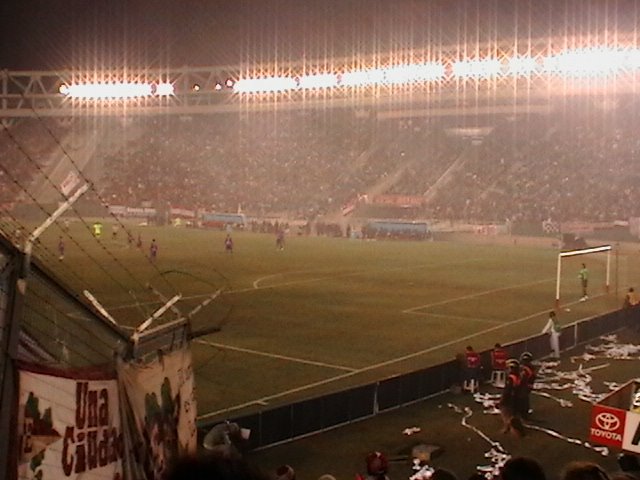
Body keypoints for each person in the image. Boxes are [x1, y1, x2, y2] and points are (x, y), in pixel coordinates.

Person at [498, 358, 525, 437]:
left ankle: (512, 429)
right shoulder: (518, 376)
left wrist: (502, 399)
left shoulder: (511, 378)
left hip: (510, 398)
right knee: (513, 414)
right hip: (516, 397)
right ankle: (513, 429)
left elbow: (508, 390)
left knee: (506, 414)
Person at [518, 352, 536, 419]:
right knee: (525, 398)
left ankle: (523, 413)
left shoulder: (526, 369)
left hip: (525, 386)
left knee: (523, 399)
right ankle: (525, 411)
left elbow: (523, 378)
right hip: (528, 385)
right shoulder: (530, 367)